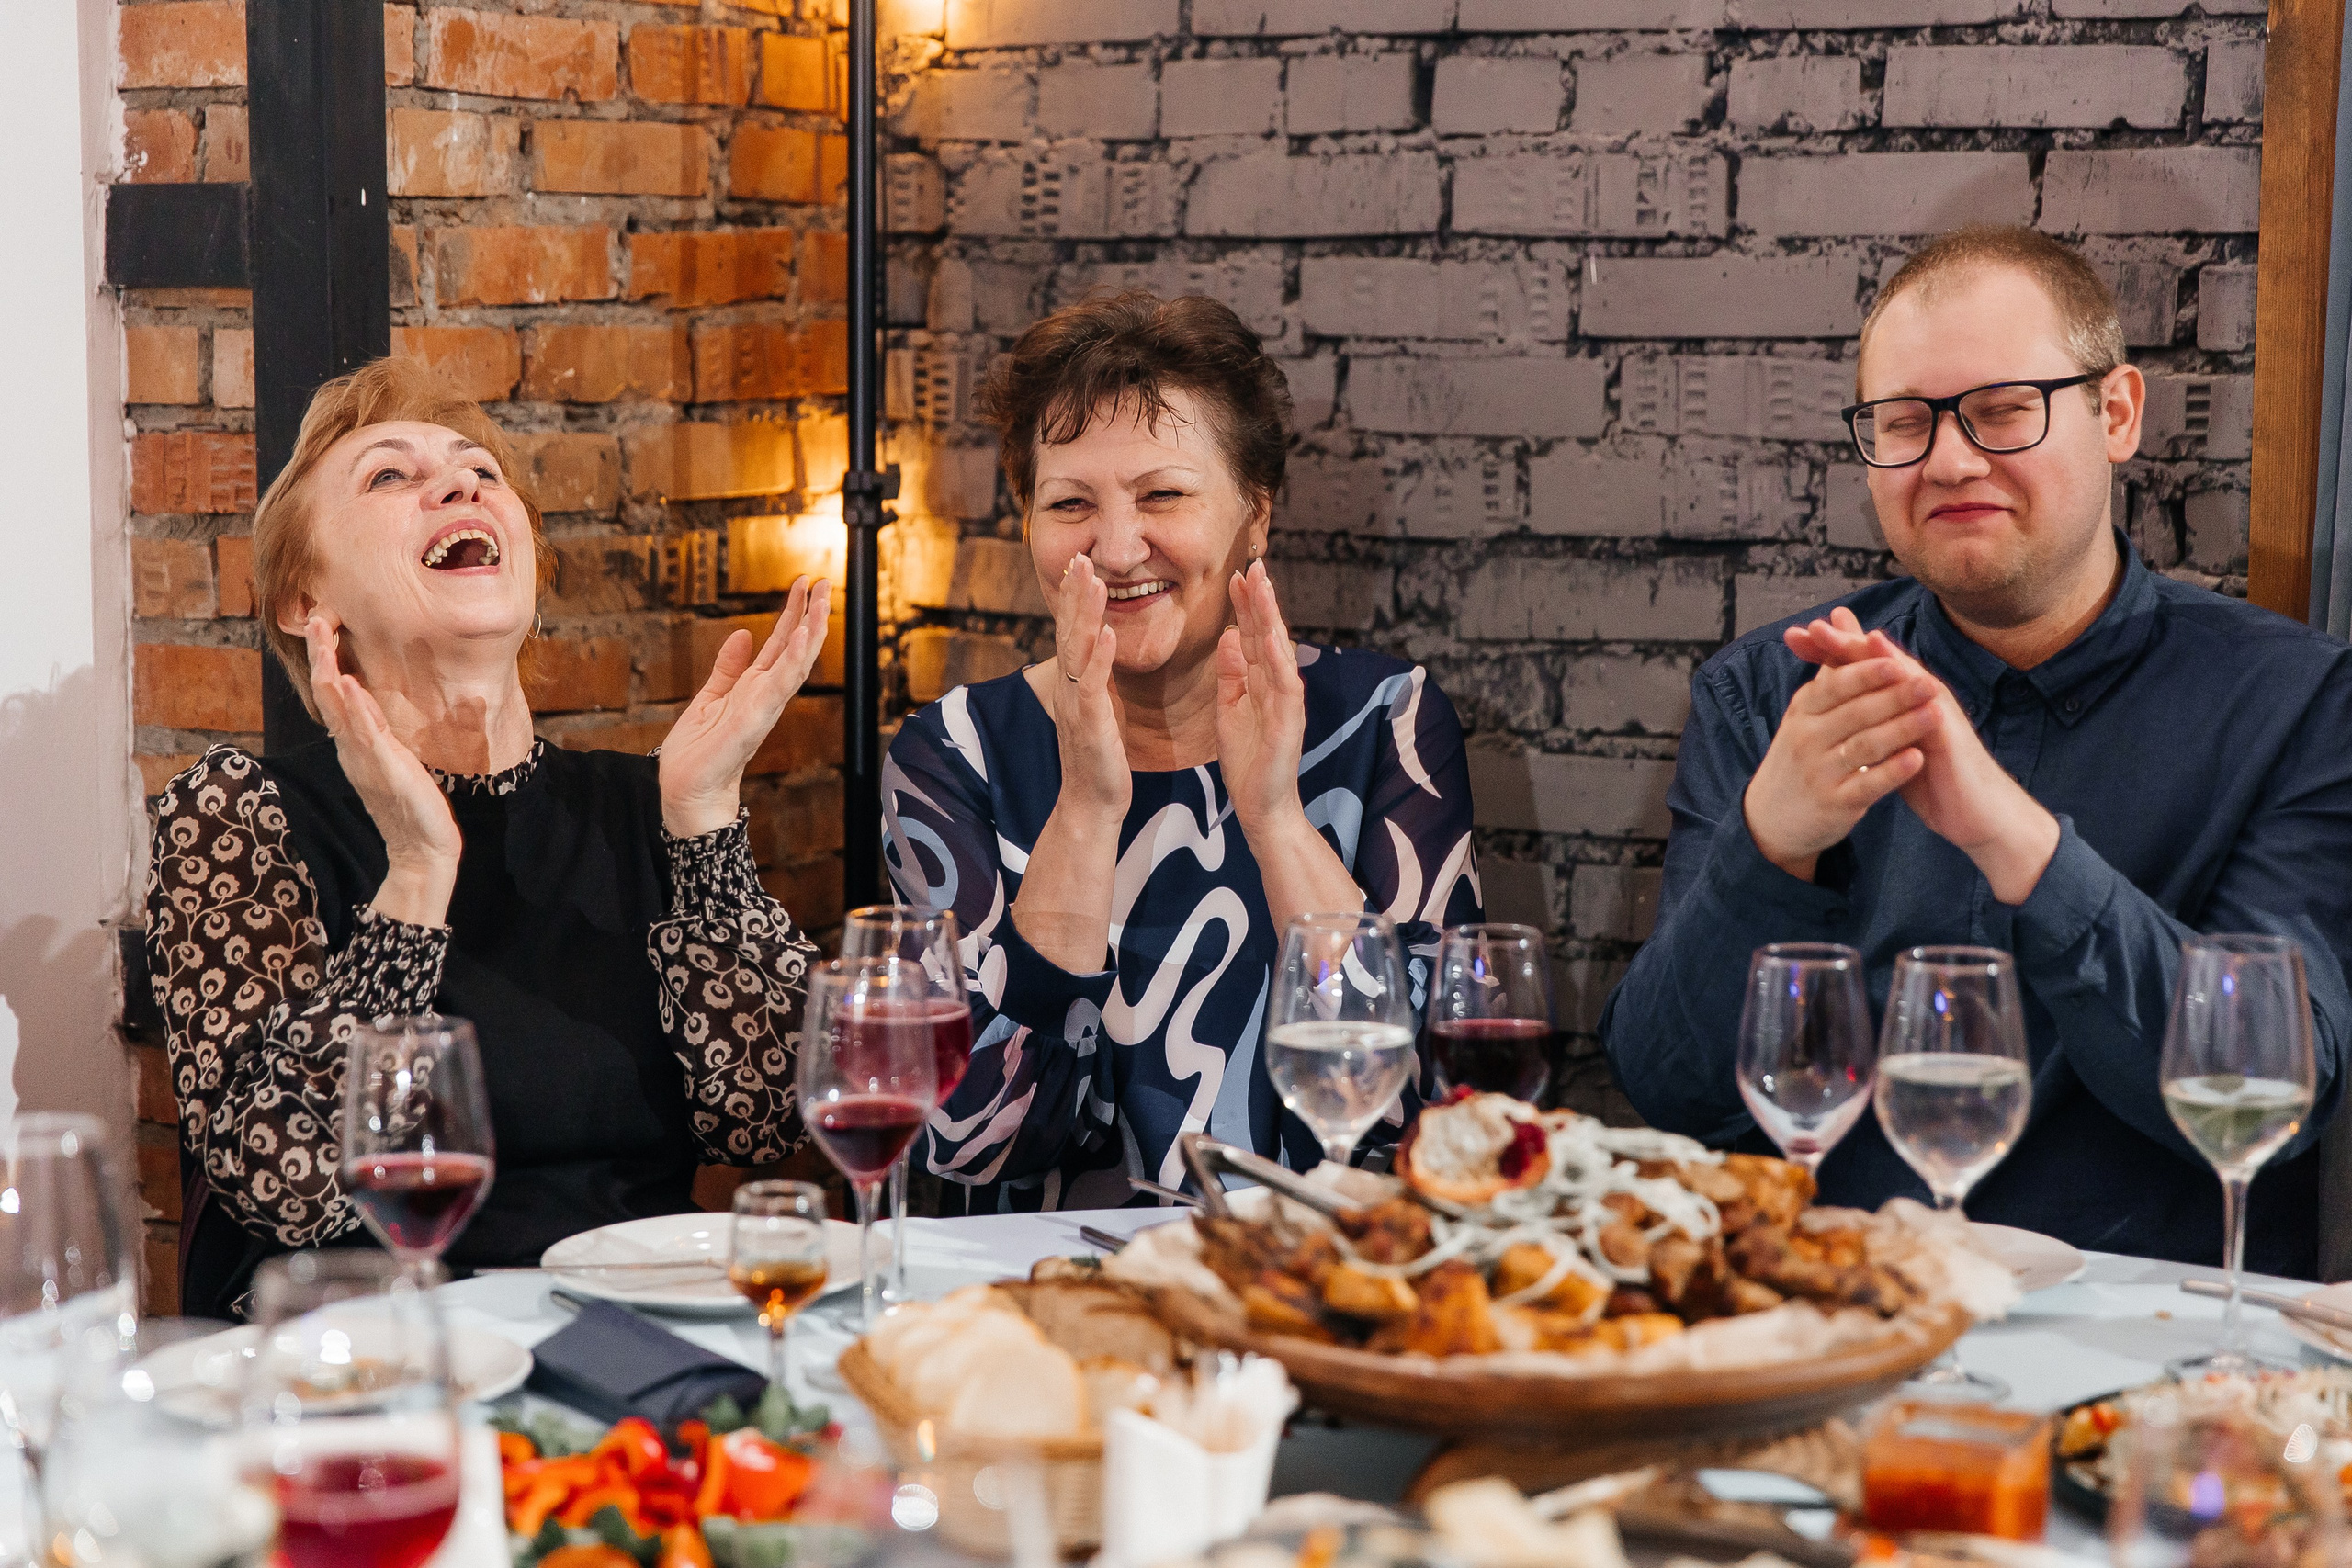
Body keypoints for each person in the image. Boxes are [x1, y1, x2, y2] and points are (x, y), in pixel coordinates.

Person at [1600, 226, 2352, 1279]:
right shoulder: (1772, 692)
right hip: (1835, 1327)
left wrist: (2019, 846)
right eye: (1903, 423)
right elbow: (1670, 1088)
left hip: (2148, 1350)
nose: (1950, 460)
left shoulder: (2298, 703)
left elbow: (2278, 1083)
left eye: (2002, 410)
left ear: (2117, 413)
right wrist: (1771, 843)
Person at [145, 358, 833, 1315]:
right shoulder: (239, 813)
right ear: (308, 602)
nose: (461, 483)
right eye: (389, 476)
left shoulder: (650, 802)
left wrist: (707, 825)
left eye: (481, 473)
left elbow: (762, 1121)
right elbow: (283, 1185)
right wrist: (418, 875)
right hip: (361, 1360)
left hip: (629, 1339)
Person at [881, 291, 1482, 1213]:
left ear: (1257, 515)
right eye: (1069, 503)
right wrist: (1084, 806)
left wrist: (1275, 815)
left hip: (1306, 1293)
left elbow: (1436, 1117)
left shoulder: (1383, 724)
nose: (1118, 549)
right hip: (1044, 1303)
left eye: (1162, 495)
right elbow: (970, 1140)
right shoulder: (956, 753)